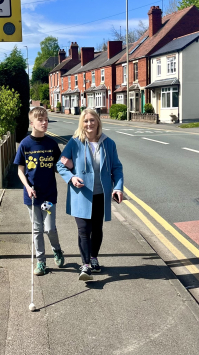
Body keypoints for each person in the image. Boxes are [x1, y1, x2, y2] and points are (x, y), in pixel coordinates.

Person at [57, 108, 123, 281]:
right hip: (81, 194)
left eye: (92, 120)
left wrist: (118, 187)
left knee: (97, 229)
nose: (89, 124)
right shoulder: (74, 142)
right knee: (84, 230)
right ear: (81, 123)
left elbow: (117, 167)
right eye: (86, 121)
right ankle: (85, 265)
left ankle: (93, 257)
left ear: (98, 122)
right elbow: (61, 165)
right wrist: (71, 178)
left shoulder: (109, 143)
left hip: (101, 194)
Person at [14, 107, 65, 276]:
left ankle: (57, 249)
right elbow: (20, 170)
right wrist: (28, 187)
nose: (44, 123)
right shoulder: (25, 144)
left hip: (48, 195)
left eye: (46, 119)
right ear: (32, 123)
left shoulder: (51, 144)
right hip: (33, 197)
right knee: (37, 229)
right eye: (40, 120)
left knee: (49, 228)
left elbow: (60, 166)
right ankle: (41, 262)